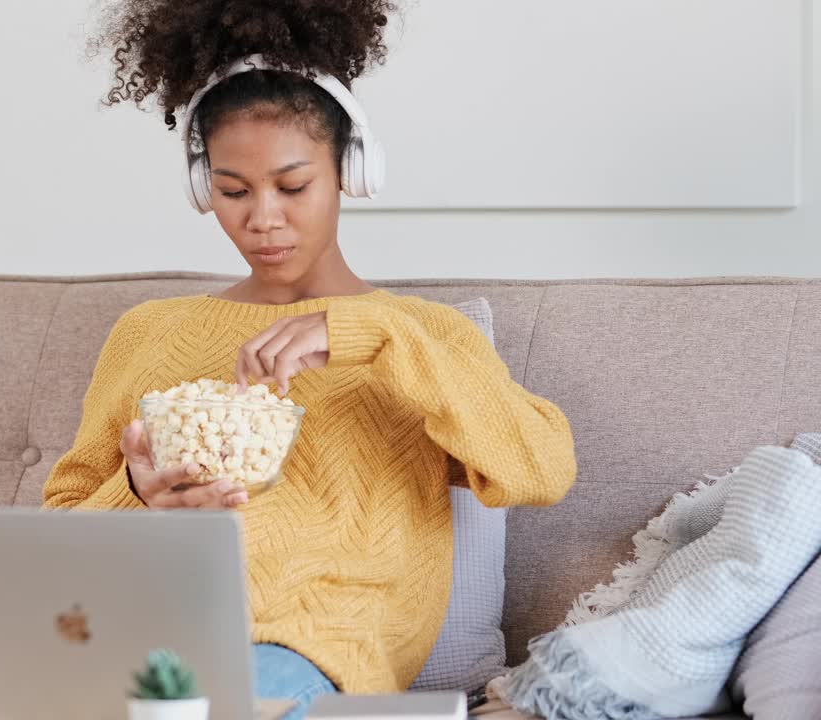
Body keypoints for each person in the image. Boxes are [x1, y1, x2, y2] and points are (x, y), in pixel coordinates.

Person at [43, 1, 578, 716]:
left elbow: (541, 468)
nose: (263, 217)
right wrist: (138, 499)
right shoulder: (150, 332)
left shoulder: (420, 335)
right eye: (234, 191)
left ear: (350, 171)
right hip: (142, 635)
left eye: (292, 187)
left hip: (309, 652)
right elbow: (57, 541)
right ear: (204, 188)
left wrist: (369, 334)